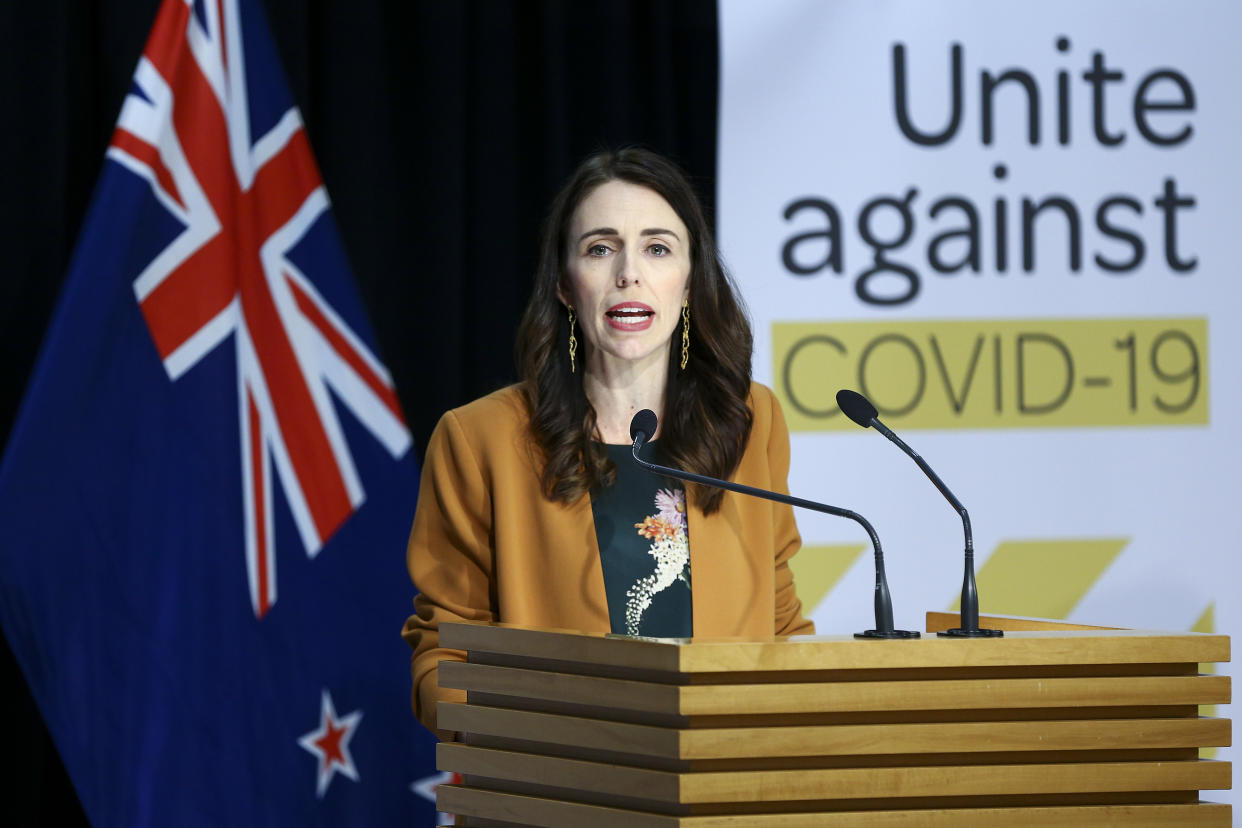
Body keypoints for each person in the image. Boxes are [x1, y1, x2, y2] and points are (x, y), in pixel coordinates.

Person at [401, 148, 813, 739]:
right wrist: (534, 734)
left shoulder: (748, 420)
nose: (629, 272)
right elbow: (444, 656)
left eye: (657, 248)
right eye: (600, 248)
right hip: (561, 792)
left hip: (725, 787)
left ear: (690, 281)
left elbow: (780, 624)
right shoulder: (481, 439)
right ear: (567, 286)